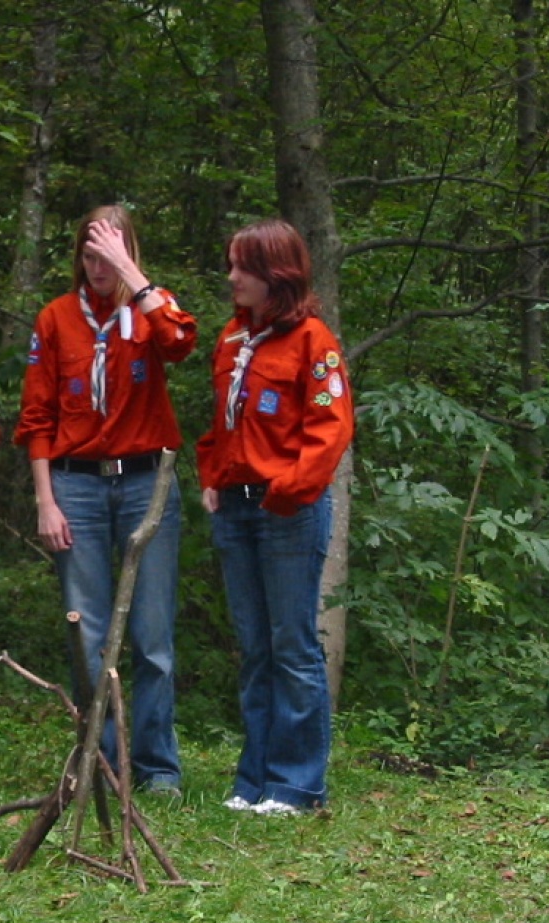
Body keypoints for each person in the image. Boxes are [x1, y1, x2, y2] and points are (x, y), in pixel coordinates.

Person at [14, 205, 198, 793]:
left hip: (147, 480)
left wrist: (132, 276)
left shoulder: (151, 309)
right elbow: (36, 416)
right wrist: (46, 500)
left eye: (109, 254)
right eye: (89, 255)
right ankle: (102, 761)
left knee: (151, 634)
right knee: (88, 632)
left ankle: (158, 767)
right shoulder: (56, 319)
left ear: (129, 253)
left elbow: (180, 344)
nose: (97, 267)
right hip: (75, 483)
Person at [195, 218, 354, 815]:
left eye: (243, 267)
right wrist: (212, 476)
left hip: (287, 509)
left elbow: (330, 429)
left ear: (276, 274)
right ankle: (253, 778)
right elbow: (222, 423)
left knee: (292, 646)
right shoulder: (232, 338)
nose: (232, 276)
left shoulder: (314, 341)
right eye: (232, 264)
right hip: (234, 508)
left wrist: (285, 490)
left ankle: (297, 785)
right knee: (255, 647)